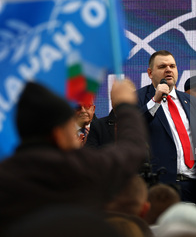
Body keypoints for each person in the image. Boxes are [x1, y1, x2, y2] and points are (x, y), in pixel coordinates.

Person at [0, 80, 147, 234]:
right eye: (70, 126)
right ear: (58, 135)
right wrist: (125, 106)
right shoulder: (82, 168)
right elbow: (132, 150)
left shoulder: (5, 178)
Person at [137, 50, 196, 207]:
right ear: (150, 73)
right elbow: (135, 127)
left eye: (172, 66)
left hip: (195, 186)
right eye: (162, 66)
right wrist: (155, 101)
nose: (168, 69)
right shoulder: (138, 98)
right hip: (161, 187)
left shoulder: (191, 101)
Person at [86, 81, 136, 148]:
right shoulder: (97, 127)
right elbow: (92, 155)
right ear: (112, 99)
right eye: (118, 96)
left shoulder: (141, 125)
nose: (122, 101)